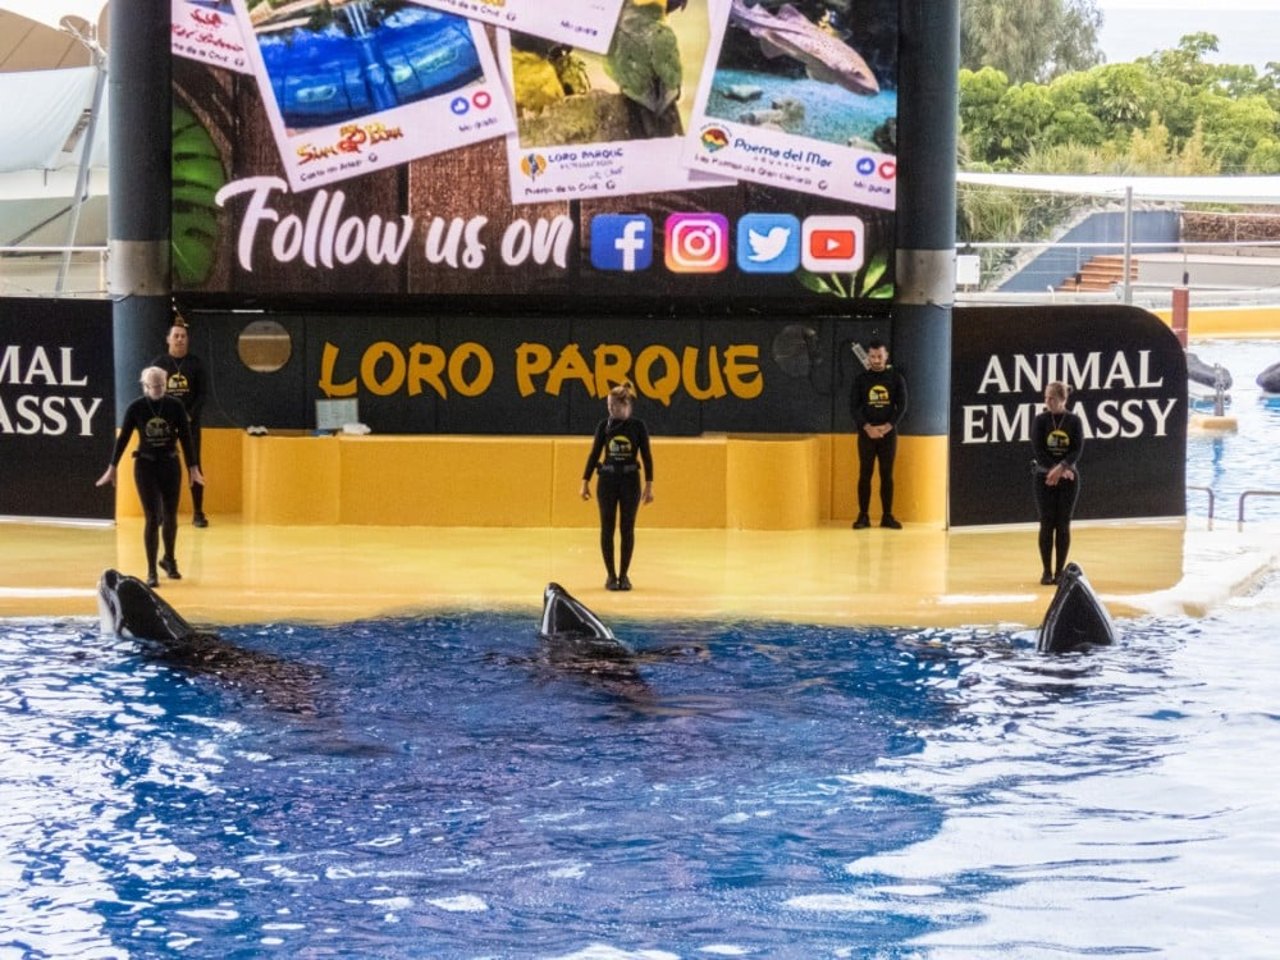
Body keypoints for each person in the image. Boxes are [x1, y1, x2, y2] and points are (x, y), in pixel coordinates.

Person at [96, 366, 205, 588]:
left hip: (170, 463)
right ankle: (151, 570)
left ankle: (169, 561)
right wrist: (112, 467)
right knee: (152, 517)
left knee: (171, 515)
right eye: (154, 386)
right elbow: (123, 438)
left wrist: (193, 468)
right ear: (145, 386)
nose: (158, 389)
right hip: (145, 465)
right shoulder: (136, 407)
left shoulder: (175, 406)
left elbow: (186, 437)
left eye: (161, 385)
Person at [580, 382, 654, 591]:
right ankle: (611, 575)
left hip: (630, 481)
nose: (612, 410)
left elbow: (647, 457)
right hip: (607, 481)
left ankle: (624, 574)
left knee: (627, 528)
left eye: (616, 407)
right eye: (609, 407)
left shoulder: (638, 426)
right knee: (607, 527)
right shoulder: (604, 426)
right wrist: (585, 481)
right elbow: (594, 454)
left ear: (627, 406)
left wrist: (649, 485)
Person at [152, 318, 209, 527]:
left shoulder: (196, 364)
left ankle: (198, 513)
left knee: (194, 466)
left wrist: (189, 416)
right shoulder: (159, 364)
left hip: (190, 424)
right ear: (168, 339)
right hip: (165, 425)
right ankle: (159, 513)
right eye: (176, 336)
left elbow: (202, 395)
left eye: (183, 336)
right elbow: (152, 392)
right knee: (161, 466)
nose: (180, 339)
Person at [1030, 380, 1084, 586]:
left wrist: (1063, 468)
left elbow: (1077, 449)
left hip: (1068, 477)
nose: (1047, 401)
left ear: (1063, 399)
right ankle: (1046, 571)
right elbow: (1038, 448)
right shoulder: (1040, 420)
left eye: (1051, 398)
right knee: (1046, 523)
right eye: (1046, 397)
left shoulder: (1074, 421)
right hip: (1044, 477)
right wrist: (1055, 470)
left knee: (1063, 524)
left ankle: (1060, 571)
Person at [850, 340, 908, 529]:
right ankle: (863, 516)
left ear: (886, 356)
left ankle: (887, 516)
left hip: (888, 435)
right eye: (873, 356)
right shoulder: (861, 379)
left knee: (886, 474)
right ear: (868, 357)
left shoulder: (896, 378)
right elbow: (854, 407)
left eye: (879, 356)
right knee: (865, 474)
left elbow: (903, 405)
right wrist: (867, 427)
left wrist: (889, 426)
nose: (876, 360)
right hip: (867, 435)